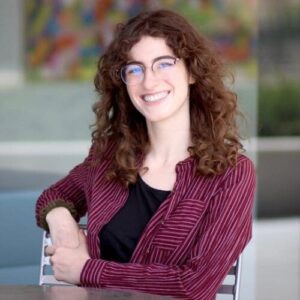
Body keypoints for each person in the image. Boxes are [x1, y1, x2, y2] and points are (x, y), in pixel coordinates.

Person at [35, 9, 256, 300]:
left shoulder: (232, 173)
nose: (149, 82)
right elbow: (52, 197)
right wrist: (62, 223)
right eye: (135, 69)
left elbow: (195, 285)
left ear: (191, 71)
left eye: (163, 64)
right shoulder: (109, 155)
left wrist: (87, 270)